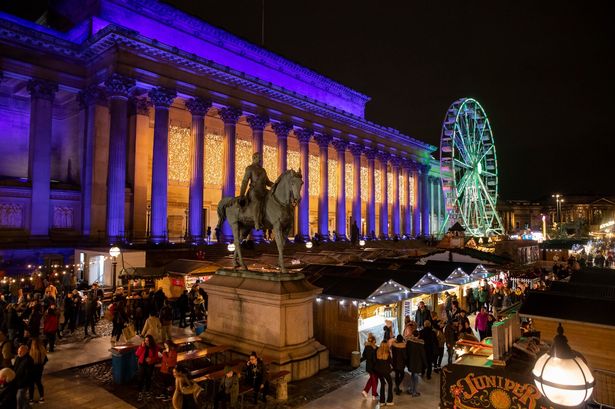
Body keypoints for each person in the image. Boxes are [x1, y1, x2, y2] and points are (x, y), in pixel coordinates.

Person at [136, 335, 159, 401]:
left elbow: (156, 358)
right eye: (145, 340)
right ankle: (140, 392)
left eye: (147, 340)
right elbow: (137, 354)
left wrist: (151, 359)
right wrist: (141, 347)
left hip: (150, 365)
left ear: (151, 341)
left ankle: (147, 391)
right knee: (140, 378)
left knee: (148, 378)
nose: (146, 342)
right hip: (141, 364)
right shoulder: (143, 346)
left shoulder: (154, 347)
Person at [405, 330, 427, 397]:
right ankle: (414, 392)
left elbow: (407, 352)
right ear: (418, 335)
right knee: (416, 377)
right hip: (418, 363)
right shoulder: (420, 344)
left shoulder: (409, 342)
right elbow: (423, 355)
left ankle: (411, 389)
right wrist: (426, 364)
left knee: (412, 376)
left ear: (412, 335)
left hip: (411, 362)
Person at [13, 344, 33, 409]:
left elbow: (28, 375)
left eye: (21, 351)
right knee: (22, 399)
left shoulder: (28, 360)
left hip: (23, 384)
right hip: (17, 382)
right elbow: (15, 369)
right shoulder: (18, 358)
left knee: (19, 398)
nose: (19, 352)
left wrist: (21, 383)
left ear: (26, 351)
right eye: (18, 351)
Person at [374, 341, 393, 406]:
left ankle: (382, 401)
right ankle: (389, 401)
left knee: (382, 384)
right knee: (390, 383)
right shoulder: (388, 353)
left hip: (378, 371)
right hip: (386, 371)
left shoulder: (377, 352)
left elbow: (375, 361)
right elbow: (391, 362)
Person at [28, 338, 47, 404]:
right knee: (39, 383)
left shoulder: (31, 351)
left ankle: (31, 399)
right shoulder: (42, 350)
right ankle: (41, 397)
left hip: (32, 369)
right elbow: (45, 360)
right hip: (39, 368)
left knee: (31, 384)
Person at [361, 333, 379, 400]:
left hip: (368, 366)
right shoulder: (375, 348)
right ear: (373, 341)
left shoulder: (366, 347)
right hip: (374, 366)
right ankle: (374, 395)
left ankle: (366, 391)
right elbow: (376, 358)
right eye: (375, 340)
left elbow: (364, 356)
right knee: (374, 379)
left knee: (373, 379)